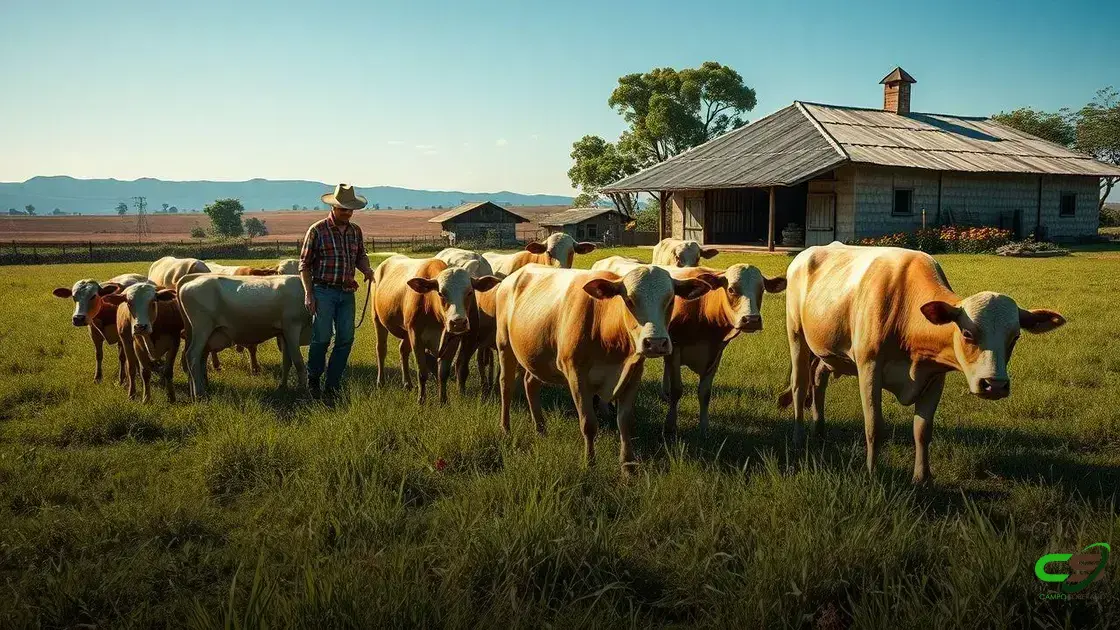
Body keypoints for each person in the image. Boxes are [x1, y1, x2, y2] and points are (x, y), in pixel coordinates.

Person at [299, 183, 374, 399]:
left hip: (347, 292)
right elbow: (304, 264)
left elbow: (360, 255)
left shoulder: (355, 231)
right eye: (343, 209)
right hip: (323, 291)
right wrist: (309, 293)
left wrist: (367, 269)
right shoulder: (317, 230)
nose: (348, 213)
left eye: (350, 209)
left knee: (345, 339)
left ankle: (332, 384)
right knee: (321, 338)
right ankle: (314, 379)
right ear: (333, 208)